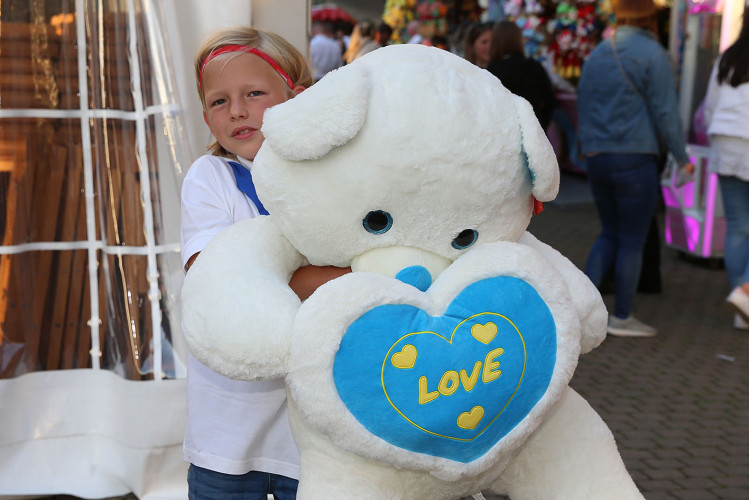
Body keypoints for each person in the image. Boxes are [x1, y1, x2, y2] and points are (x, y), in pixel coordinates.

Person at [181, 26, 350, 499]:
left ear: (296, 96)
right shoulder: (210, 178)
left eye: (253, 93)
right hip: (227, 440)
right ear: (206, 116)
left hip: (318, 439)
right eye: (218, 101)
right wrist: (348, 278)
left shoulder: (335, 182)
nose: (236, 110)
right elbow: (218, 279)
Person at [577, 0, 693, 338]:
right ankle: (622, 316)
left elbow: (584, 103)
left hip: (598, 155)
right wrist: (682, 156)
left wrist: (586, 148)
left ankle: (583, 312)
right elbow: (666, 113)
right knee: (631, 239)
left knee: (609, 233)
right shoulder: (653, 54)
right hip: (635, 157)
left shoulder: (599, 51)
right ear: (650, 15)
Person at [703, 12, 749, 330]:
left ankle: (741, 307)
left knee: (737, 227)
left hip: (726, 144)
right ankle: (745, 294)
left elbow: (708, 107)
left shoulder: (727, 59)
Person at [486, 20, 556, 131]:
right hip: (532, 132)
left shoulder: (490, 72)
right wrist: (541, 124)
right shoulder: (533, 67)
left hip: (503, 135)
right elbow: (549, 101)